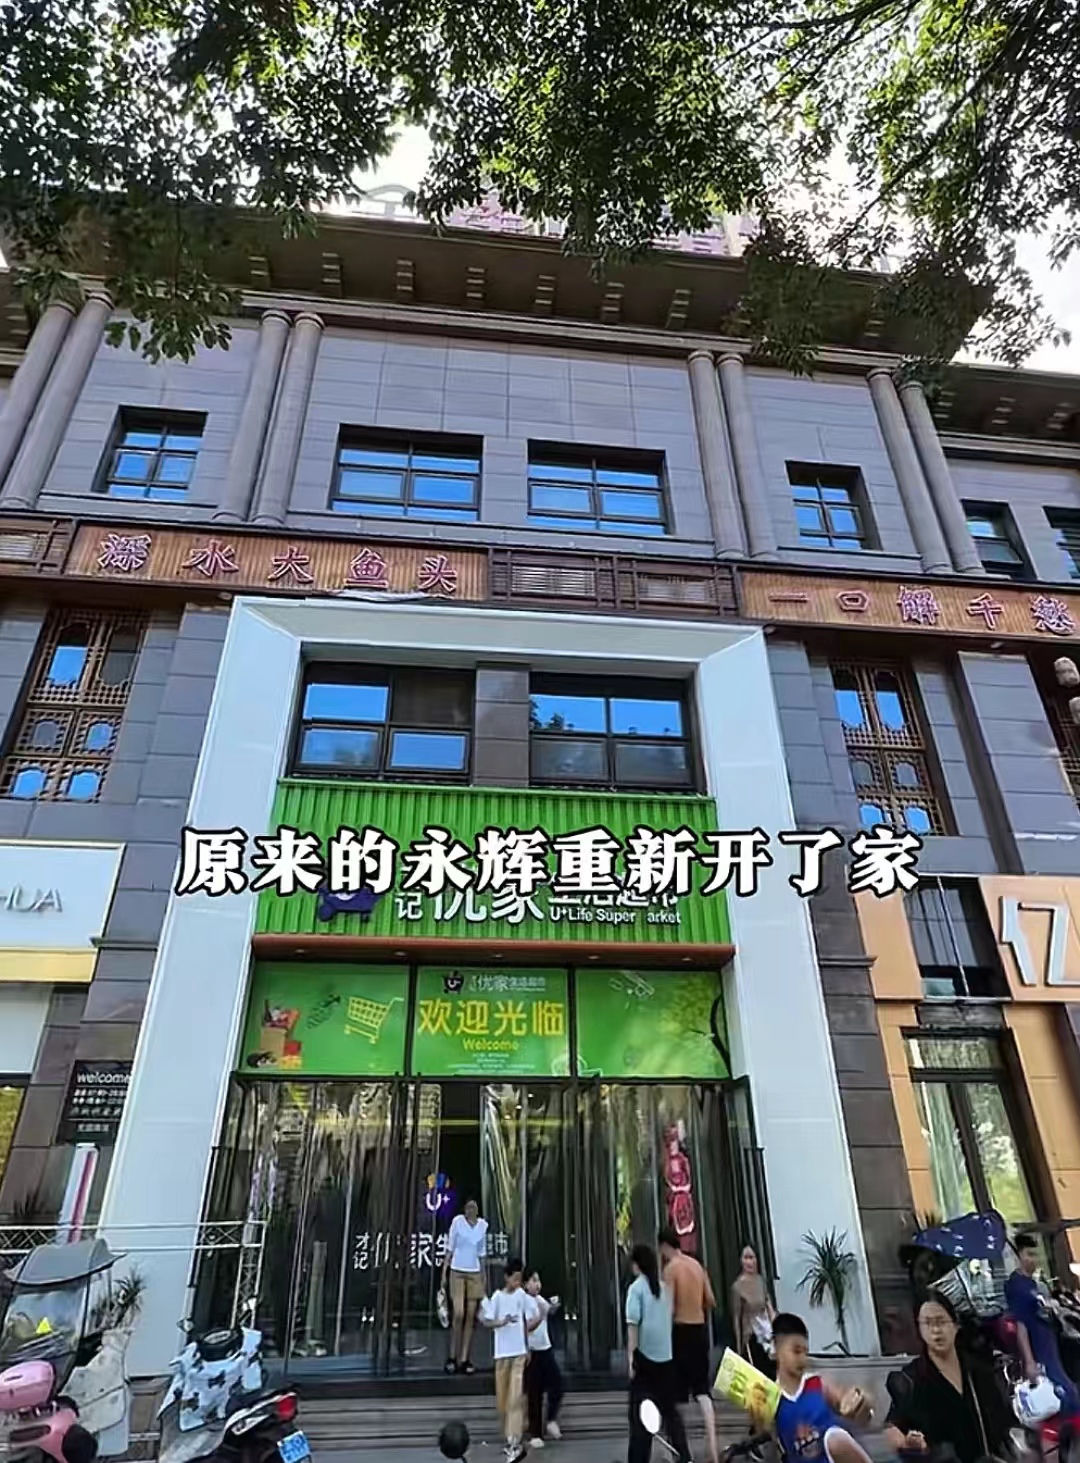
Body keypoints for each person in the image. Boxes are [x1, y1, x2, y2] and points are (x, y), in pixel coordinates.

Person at [883, 1293, 1013, 1463]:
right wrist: (907, 1442)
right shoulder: (911, 1379)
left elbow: (1005, 1423)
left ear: (955, 1325)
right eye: (927, 1323)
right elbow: (893, 1428)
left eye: (941, 1322)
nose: (935, 1330)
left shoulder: (979, 1371)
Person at [770, 1313, 873, 1463]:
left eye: (805, 1352)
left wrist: (859, 1404)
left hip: (834, 1457)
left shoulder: (817, 1384)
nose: (802, 1359)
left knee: (835, 1437)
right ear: (776, 1348)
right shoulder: (770, 1397)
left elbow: (849, 1405)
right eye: (796, 1351)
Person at [626, 1243, 691, 1463]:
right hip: (666, 1361)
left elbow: (633, 1328)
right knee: (671, 1415)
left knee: (640, 1418)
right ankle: (684, 1456)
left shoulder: (636, 1289)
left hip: (644, 1362)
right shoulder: (665, 1290)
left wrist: (631, 1360)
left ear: (636, 1265)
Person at [659, 1226, 719, 1463]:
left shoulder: (671, 1269)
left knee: (676, 1396)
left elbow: (668, 1306)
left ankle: (677, 1451)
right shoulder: (696, 1266)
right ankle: (713, 1448)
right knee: (703, 1392)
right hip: (699, 1330)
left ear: (664, 1247)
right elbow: (711, 1300)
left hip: (680, 1331)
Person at [1005, 1231, 1080, 1415]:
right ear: (1018, 1256)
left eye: (1036, 1255)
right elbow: (1021, 1325)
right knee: (1066, 1395)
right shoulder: (1016, 1285)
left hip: (1049, 1342)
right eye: (1029, 1254)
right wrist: (1030, 1361)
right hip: (1038, 1347)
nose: (1034, 1260)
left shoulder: (1032, 1283)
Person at [480, 1257, 534, 1463]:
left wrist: (527, 1347)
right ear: (506, 1277)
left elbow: (526, 1321)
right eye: (514, 1278)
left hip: (518, 1351)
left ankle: (515, 1439)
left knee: (515, 1396)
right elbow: (486, 1321)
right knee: (503, 1398)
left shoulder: (521, 1295)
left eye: (520, 1278)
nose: (517, 1282)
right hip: (502, 1353)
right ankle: (509, 1435)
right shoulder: (497, 1297)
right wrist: (501, 1322)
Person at [442, 1198, 489, 1375]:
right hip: (457, 1271)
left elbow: (482, 1252)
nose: (471, 1210)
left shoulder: (483, 1226)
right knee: (459, 1313)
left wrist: (484, 1277)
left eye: (474, 1207)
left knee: (471, 1316)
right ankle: (452, 1355)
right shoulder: (458, 1222)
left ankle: (464, 1358)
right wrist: (444, 1273)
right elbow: (450, 1248)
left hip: (475, 1272)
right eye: (468, 1207)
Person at [524, 1268, 564, 1448]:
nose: (537, 1284)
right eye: (533, 1280)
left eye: (538, 1280)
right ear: (525, 1284)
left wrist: (553, 1307)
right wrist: (541, 1316)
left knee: (557, 1385)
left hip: (546, 1349)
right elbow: (526, 1327)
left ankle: (551, 1419)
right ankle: (535, 1433)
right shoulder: (524, 1301)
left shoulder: (539, 1300)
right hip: (532, 1352)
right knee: (535, 1394)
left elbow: (549, 1311)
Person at [732, 1243, 776, 1378]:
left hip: (766, 1333)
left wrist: (776, 1327)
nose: (749, 1262)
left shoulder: (760, 1281)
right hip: (751, 1335)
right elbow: (736, 1317)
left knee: (772, 1372)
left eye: (751, 1258)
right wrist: (739, 1345)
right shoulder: (737, 1286)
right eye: (746, 1258)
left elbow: (768, 1304)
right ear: (741, 1261)